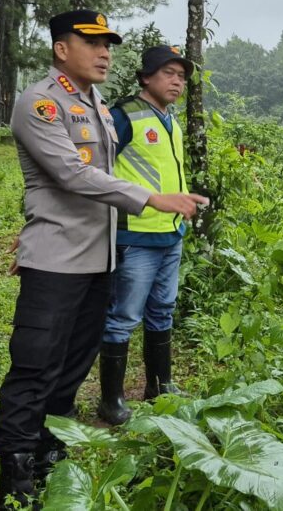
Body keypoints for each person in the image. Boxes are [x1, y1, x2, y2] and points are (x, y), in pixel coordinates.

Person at [0, 10, 208, 509]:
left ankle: (50, 452)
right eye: (92, 43)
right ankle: (16, 471)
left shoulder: (97, 105)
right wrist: (152, 199)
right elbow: (71, 174)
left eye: (108, 44)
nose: (105, 52)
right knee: (35, 367)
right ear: (61, 50)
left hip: (98, 258)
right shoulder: (41, 103)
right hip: (55, 259)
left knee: (73, 364)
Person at [97, 45, 196, 425]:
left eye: (182, 76)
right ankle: (111, 401)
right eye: (169, 73)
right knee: (123, 315)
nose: (177, 81)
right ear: (145, 78)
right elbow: (98, 173)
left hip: (170, 233)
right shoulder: (124, 116)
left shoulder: (171, 120)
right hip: (135, 234)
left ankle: (160, 385)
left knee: (162, 309)